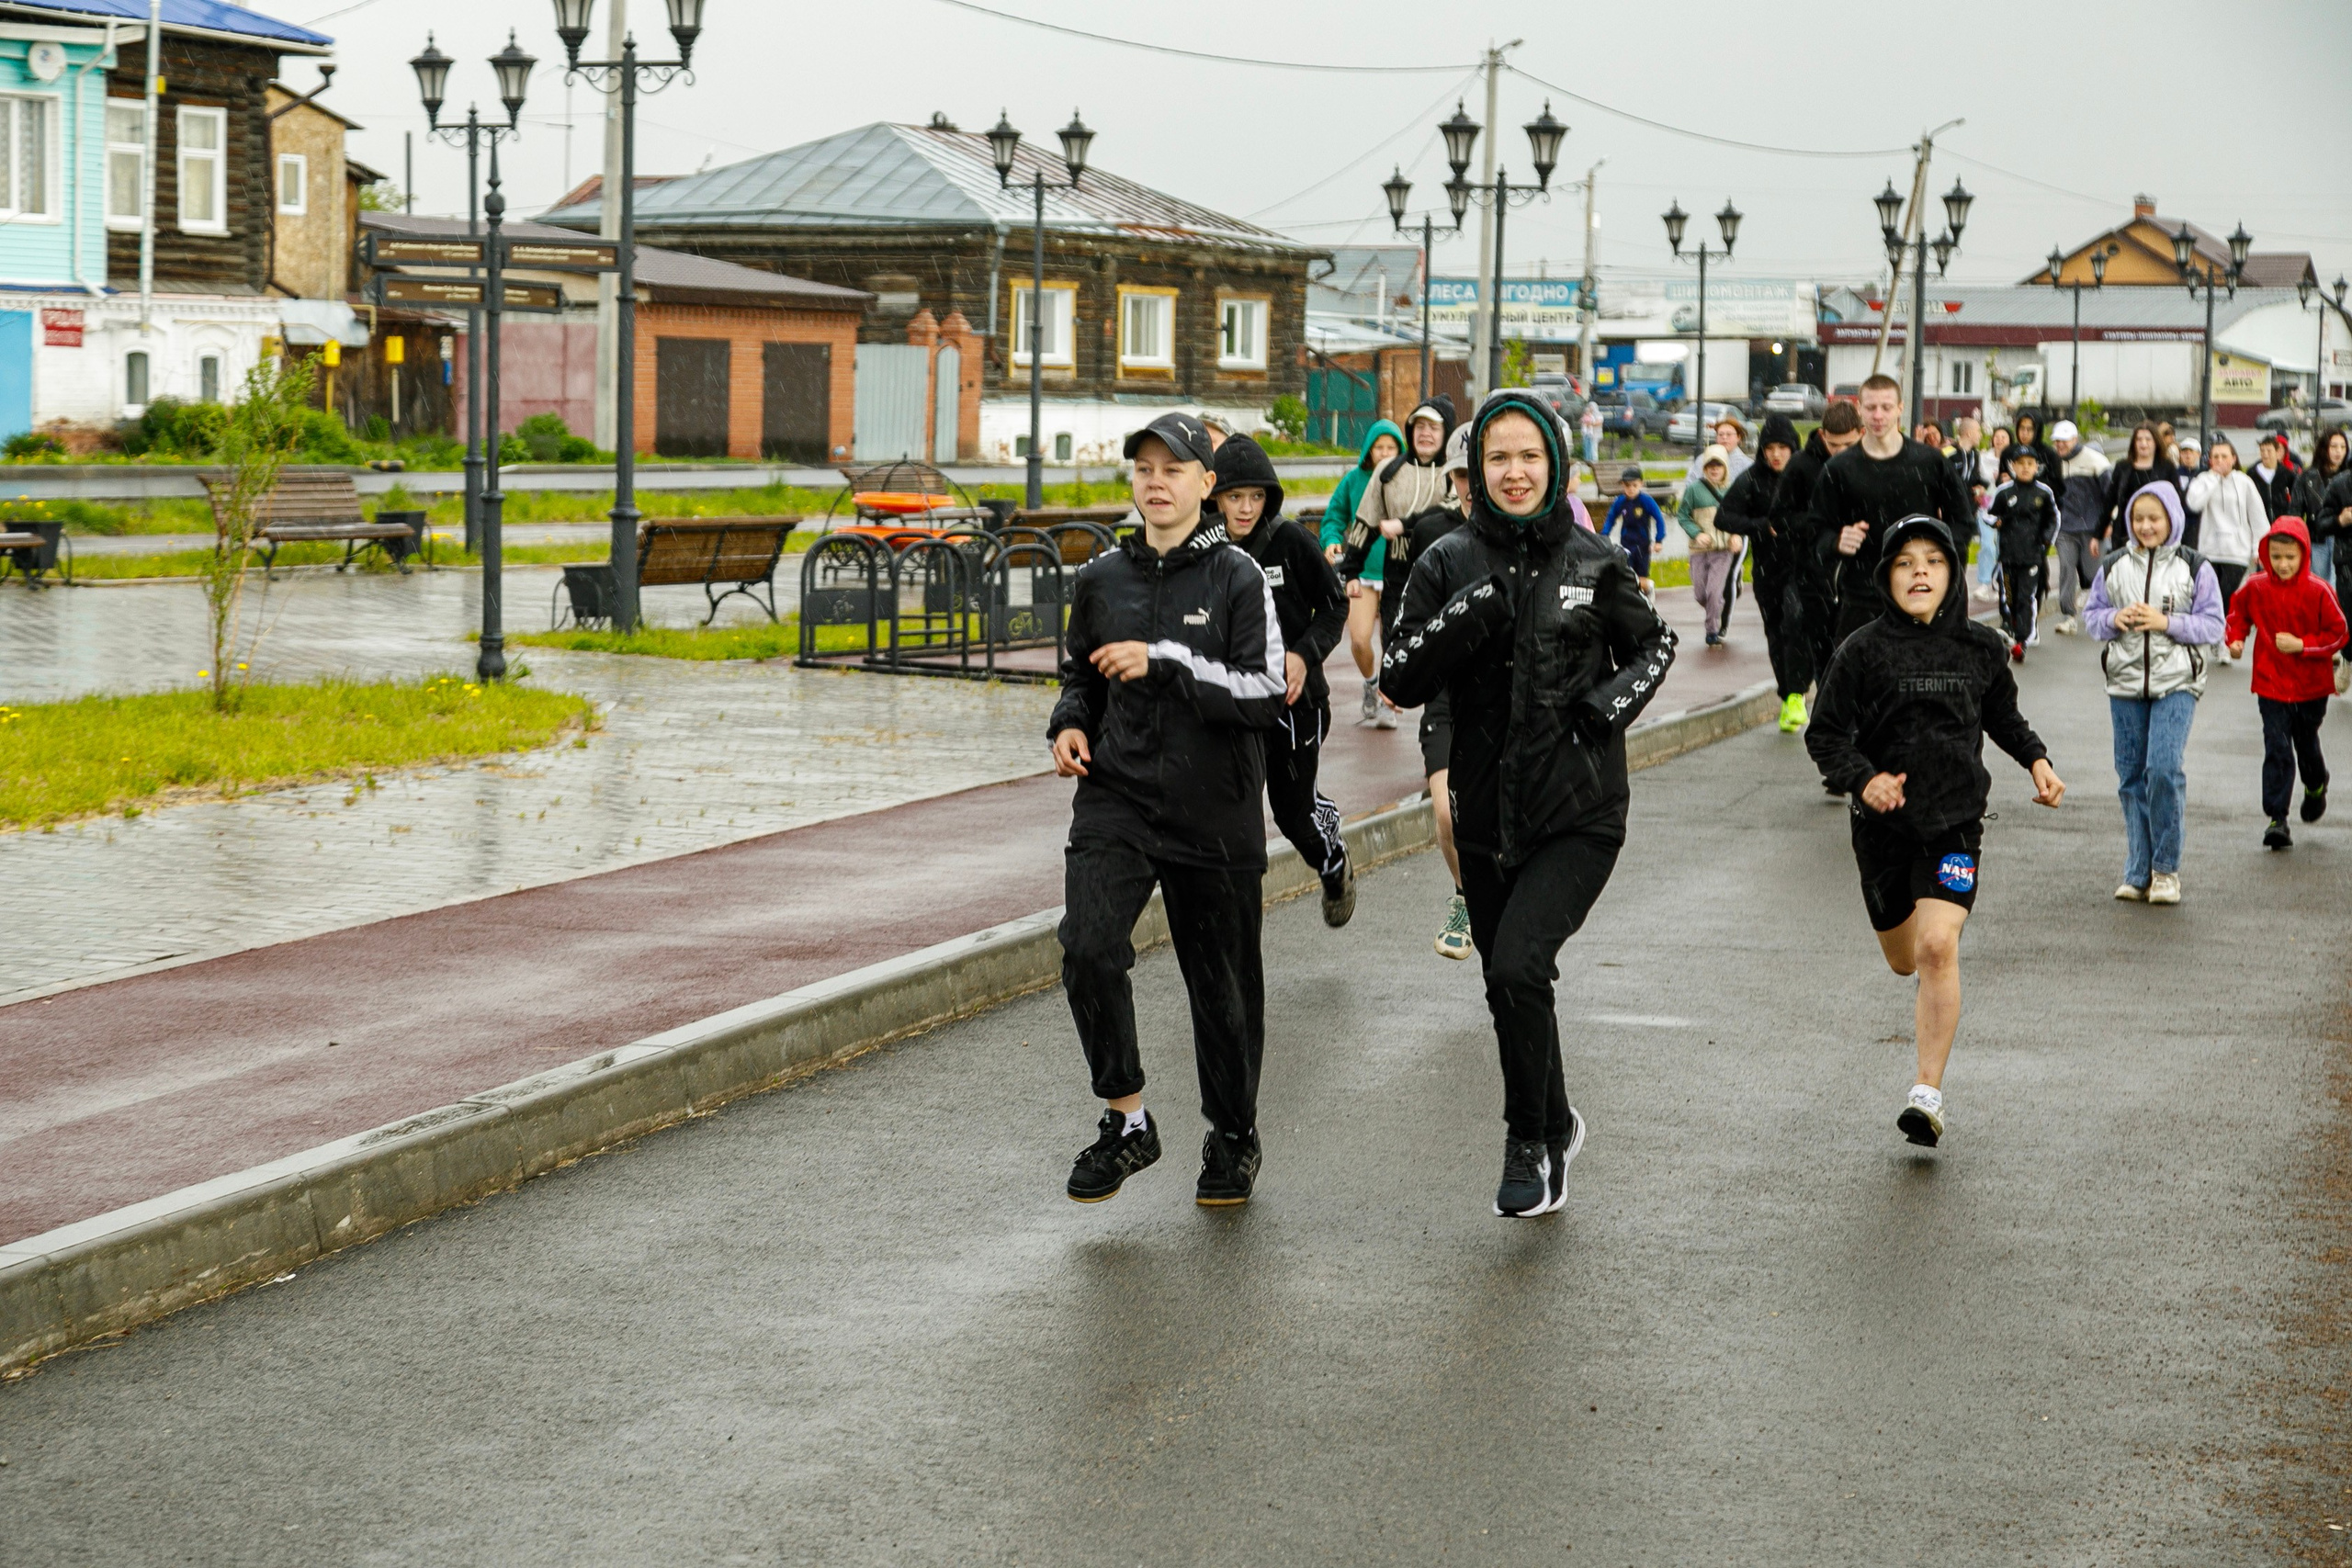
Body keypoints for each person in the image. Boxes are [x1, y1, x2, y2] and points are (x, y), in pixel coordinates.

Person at [1382, 389, 1677, 1215]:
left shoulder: (1594, 559)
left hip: (1580, 810)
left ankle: (1527, 1140)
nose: (1515, 472)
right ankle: (1557, 1120)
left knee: (1518, 963)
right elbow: (1398, 676)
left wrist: (1605, 708)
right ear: (1476, 469)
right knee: (1509, 981)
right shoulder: (1445, 558)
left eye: (1530, 457)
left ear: (1555, 466)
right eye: (1499, 458)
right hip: (1483, 811)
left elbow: (1657, 644)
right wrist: (1470, 613)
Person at [1051, 412, 1287, 1208]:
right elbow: (1078, 677)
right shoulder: (1101, 578)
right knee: (1087, 946)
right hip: (1115, 796)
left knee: (1220, 988)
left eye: (1173, 469)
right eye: (1144, 469)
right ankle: (1127, 1119)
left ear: (1206, 486)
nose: (1156, 481)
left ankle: (1232, 1134)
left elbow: (1262, 695)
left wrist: (1168, 661)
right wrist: (1071, 722)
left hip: (1212, 809)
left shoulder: (1238, 579)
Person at [1805, 515, 2065, 1149]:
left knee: (1938, 947)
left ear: (1951, 574)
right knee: (1903, 958)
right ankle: (1907, 956)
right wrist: (1865, 780)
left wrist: (2037, 759)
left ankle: (1926, 1093)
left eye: (1933, 560)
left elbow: (2003, 714)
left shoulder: (1980, 647)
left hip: (1955, 826)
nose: (1919, 570)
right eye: (1904, 562)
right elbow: (1825, 734)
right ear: (1887, 576)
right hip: (1882, 830)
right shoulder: (1861, 650)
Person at [1211, 434, 1355, 926]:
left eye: (1256, 497)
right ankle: (1230, 918)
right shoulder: (1207, 551)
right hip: (1233, 705)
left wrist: (1302, 655)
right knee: (1231, 809)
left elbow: (1335, 605)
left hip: (1297, 705)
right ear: (1215, 498)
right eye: (1235, 497)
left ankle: (1333, 860)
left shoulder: (1291, 542)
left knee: (1292, 814)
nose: (1246, 508)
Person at [2084, 482, 2224, 904]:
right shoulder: (2112, 565)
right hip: (2124, 683)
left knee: (2162, 769)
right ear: (2128, 521)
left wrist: (2168, 623)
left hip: (2177, 682)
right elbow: (2091, 619)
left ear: (2172, 521)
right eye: (2138, 518)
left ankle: (2166, 870)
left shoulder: (2195, 566)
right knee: (2130, 777)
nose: (2146, 526)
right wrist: (2114, 618)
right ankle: (2137, 869)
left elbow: (2214, 626)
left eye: (2155, 518)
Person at [1813, 374, 1978, 649]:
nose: (1878, 415)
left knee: (1923, 684)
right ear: (1860, 410)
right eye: (1871, 407)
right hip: (1862, 596)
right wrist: (1836, 541)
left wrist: (1942, 562)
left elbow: (1961, 522)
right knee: (1858, 685)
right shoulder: (1839, 469)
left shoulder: (1929, 461)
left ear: (1900, 408)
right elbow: (1815, 531)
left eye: (1886, 407)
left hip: (1921, 598)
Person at [2227, 516, 2348, 849]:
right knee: (2277, 747)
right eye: (2276, 556)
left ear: (2305, 555)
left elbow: (2339, 633)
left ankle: (2315, 784)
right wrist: (2235, 640)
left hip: (2311, 686)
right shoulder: (2256, 586)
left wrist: (2303, 645)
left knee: (2305, 743)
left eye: (2290, 558)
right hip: (2271, 683)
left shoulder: (2319, 590)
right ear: (2266, 554)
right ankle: (2277, 818)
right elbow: (2238, 614)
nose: (2282, 564)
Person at [1342, 400, 1455, 730]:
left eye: (1433, 427)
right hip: (1397, 571)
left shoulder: (1455, 471)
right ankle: (1388, 699)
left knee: (1442, 647)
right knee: (1394, 640)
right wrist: (1350, 569)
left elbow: (1448, 513)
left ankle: (1439, 729)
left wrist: (1405, 524)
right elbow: (1365, 519)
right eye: (1419, 427)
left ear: (1445, 432)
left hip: (1442, 571)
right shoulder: (1388, 470)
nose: (1425, 433)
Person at [1414, 422, 1478, 959]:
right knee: (1446, 813)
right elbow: (1406, 613)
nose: (1471, 489)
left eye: (1475, 474)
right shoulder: (1433, 534)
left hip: (1511, 697)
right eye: (1461, 476)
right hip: (1446, 698)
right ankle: (1464, 895)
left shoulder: (1537, 534)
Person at [1714, 412, 1811, 729]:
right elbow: (1723, 518)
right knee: (1776, 631)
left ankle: (1798, 692)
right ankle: (1788, 697)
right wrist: (1760, 526)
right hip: (1768, 571)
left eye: (1783, 447)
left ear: (1793, 448)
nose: (1776, 454)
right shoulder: (1752, 479)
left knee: (1797, 621)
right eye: (1770, 447)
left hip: (1804, 567)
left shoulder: (1806, 476)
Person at [1320, 419, 1403, 725]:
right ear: (1368, 451)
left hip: (1400, 573)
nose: (1384, 453)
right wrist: (1330, 541)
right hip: (1363, 572)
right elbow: (1333, 517)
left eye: (1391, 448)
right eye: (1379, 447)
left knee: (1394, 644)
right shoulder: (1354, 480)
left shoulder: (1410, 479)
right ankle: (1371, 683)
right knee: (1358, 640)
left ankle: (1386, 702)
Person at [1786, 401, 1864, 683]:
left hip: (1861, 579)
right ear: (1821, 435)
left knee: (1857, 653)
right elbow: (1781, 517)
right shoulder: (1802, 465)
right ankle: (1830, 715)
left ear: (1862, 433)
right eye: (1833, 445)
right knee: (1824, 654)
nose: (1840, 452)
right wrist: (1826, 532)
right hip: (1814, 573)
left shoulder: (1873, 467)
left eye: (1848, 444)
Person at [2185, 438, 2267, 648]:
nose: (2220, 460)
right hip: (2209, 550)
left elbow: (2257, 516)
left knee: (2226, 596)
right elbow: (2194, 503)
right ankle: (2215, 637)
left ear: (2234, 459)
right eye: (2216, 457)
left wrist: (2258, 547)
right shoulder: (2203, 479)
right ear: (2210, 460)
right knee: (2210, 597)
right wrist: (2213, 479)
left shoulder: (2244, 482)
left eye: (2224, 456)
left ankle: (2220, 639)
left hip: (2236, 552)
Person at [1985, 446, 2059, 660]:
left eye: (2030, 464)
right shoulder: (2004, 492)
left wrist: (2046, 541)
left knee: (2026, 597)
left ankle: (2022, 641)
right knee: (2009, 596)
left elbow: (2053, 519)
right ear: (2013, 466)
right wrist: (1996, 521)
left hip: (2032, 556)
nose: (2026, 468)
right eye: (2021, 464)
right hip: (2007, 556)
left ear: (2037, 467)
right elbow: (1988, 514)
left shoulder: (2043, 493)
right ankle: (2012, 627)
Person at [2047, 419, 2113, 635]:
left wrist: (2109, 522)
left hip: (2093, 528)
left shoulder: (2096, 460)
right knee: (2066, 570)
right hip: (2065, 528)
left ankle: (2102, 613)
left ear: (2075, 439)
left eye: (2064, 441)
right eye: (2057, 442)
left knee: (2095, 573)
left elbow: (2111, 494)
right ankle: (2068, 616)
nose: (2060, 446)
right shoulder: (2054, 463)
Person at [1679, 445, 1738, 646]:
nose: (1714, 469)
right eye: (1710, 465)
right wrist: (1696, 533)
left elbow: (1740, 516)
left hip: (1722, 551)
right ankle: (1716, 606)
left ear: (1725, 468)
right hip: (1698, 551)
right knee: (1700, 594)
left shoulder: (1732, 491)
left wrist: (1736, 534)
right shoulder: (1694, 490)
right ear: (1704, 467)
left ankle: (1712, 631)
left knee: (1713, 592)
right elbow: (1682, 515)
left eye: (1719, 465)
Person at [2101, 424, 2180, 552]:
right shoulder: (2123, 467)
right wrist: (2098, 532)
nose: (2143, 444)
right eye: (2139, 439)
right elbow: (2110, 501)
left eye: (2148, 440)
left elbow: (2176, 501)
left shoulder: (2167, 467)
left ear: (2155, 442)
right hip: (2124, 532)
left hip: (2156, 533)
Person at [1601, 465, 1667, 592]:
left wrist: (1659, 540)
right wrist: (1604, 535)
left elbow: (1659, 519)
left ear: (1641, 484)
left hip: (1642, 545)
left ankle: (1648, 591)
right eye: (1627, 486)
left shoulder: (1646, 501)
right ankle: (1632, 604)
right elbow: (1611, 518)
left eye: (1634, 485)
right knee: (1628, 578)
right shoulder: (1620, 501)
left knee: (1641, 580)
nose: (1630, 489)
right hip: (1626, 544)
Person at [1972, 424, 2009, 601]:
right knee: (1988, 545)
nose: (2000, 439)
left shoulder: (2013, 460)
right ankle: (1984, 583)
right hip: (1986, 508)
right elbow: (1976, 479)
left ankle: (2000, 584)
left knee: (2004, 547)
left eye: (2004, 437)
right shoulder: (1983, 458)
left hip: (2007, 510)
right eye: (1997, 436)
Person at [2250, 434, 2298, 521]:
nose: (2265, 454)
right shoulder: (2252, 473)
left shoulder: (2286, 473)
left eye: (2269, 451)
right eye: (2262, 451)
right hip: (2259, 521)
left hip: (2281, 521)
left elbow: (2296, 496)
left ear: (2277, 452)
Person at [1580, 396, 1603, 470]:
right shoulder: (1589, 415)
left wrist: (1591, 423)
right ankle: (1587, 461)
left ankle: (1595, 463)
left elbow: (1599, 422)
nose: (1590, 408)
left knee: (1594, 449)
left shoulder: (1599, 415)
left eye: (1591, 407)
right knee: (1587, 448)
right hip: (1588, 434)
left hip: (1595, 434)